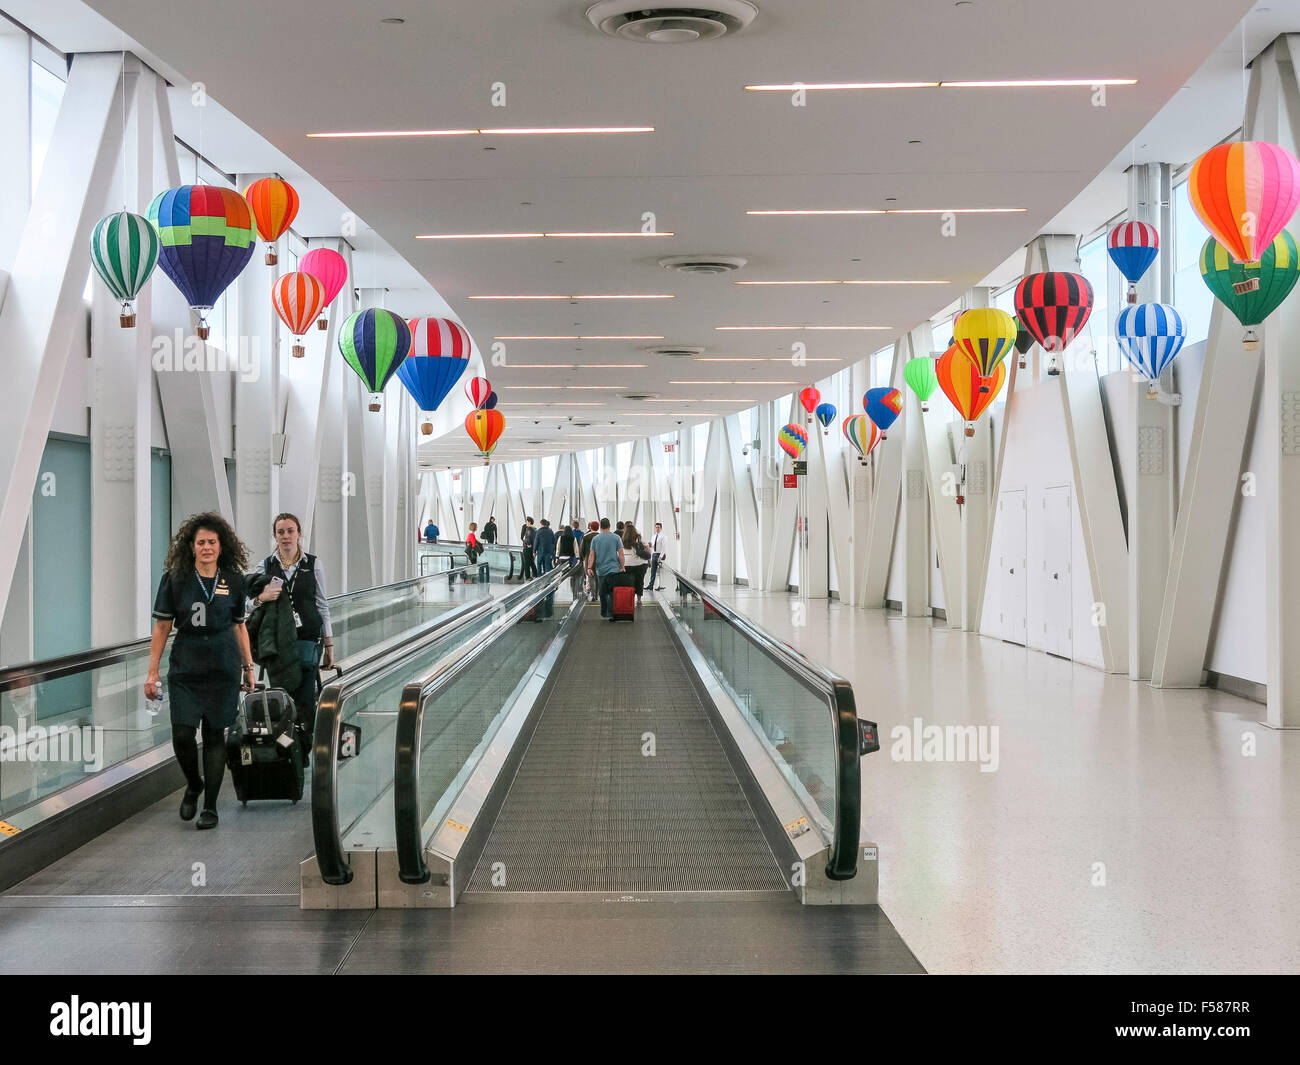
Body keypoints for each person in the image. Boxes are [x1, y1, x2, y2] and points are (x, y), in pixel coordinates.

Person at [144, 513, 255, 831]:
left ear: (221, 546)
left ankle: (210, 808)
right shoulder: (176, 578)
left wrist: (248, 668)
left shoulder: (234, 580)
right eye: (201, 542)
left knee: (214, 735)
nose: (206, 547)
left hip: (223, 667)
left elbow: (239, 626)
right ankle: (194, 783)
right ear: (191, 547)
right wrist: (152, 673)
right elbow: (163, 626)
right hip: (186, 669)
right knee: (182, 733)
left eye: (212, 542)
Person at [247, 513, 334, 762]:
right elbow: (247, 604)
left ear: (299, 534)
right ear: (275, 535)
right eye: (281, 531)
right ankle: (286, 747)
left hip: (307, 638)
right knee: (282, 694)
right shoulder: (264, 566)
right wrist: (261, 599)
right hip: (277, 643)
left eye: (290, 531)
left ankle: (304, 748)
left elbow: (322, 604)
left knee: (306, 695)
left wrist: (329, 643)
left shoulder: (313, 564)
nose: (286, 536)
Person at [587, 518, 625, 621]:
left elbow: (591, 555)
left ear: (600, 526)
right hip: (614, 569)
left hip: (601, 570)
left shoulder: (596, 539)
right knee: (613, 592)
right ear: (609, 525)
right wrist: (622, 566)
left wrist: (589, 567)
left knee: (603, 593)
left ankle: (604, 613)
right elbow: (621, 554)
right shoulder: (616, 537)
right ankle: (613, 613)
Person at [621, 520, 650, 605]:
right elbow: (647, 547)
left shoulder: (622, 539)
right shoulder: (638, 537)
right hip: (640, 564)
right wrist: (649, 558)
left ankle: (630, 599)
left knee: (629, 582)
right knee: (640, 581)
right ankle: (639, 599)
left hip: (626, 564)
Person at [557, 522, 580, 599]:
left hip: (562, 557)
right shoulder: (573, 538)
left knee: (562, 572)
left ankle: (561, 585)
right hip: (570, 557)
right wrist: (577, 557)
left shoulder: (561, 537)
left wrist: (557, 556)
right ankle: (572, 590)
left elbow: (558, 547)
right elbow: (576, 548)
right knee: (570, 573)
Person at [579, 520, 600, 603]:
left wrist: (582, 558)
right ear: (598, 527)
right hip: (599, 559)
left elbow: (582, 550)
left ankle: (592, 594)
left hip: (588, 559)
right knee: (598, 577)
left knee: (590, 576)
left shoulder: (585, 537)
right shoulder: (600, 536)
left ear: (590, 527)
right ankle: (597, 594)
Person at [647, 522, 667, 591]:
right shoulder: (653, 536)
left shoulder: (663, 536)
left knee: (659, 571)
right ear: (655, 528)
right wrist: (650, 545)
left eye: (658, 527)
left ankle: (659, 586)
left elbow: (664, 548)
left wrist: (661, 556)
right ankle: (650, 585)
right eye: (656, 527)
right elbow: (653, 546)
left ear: (661, 528)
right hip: (654, 554)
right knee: (653, 571)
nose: (657, 528)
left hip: (660, 554)